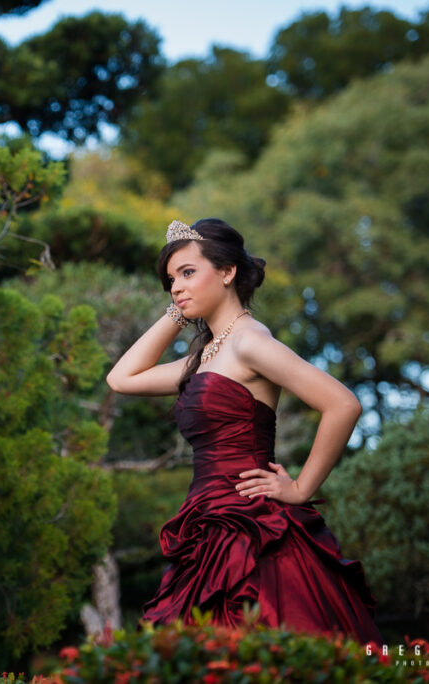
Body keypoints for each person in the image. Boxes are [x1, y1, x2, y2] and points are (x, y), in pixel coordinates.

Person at [105, 217, 383, 645]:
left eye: (188, 272)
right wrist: (175, 314)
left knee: (258, 648)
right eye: (170, 279)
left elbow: (342, 404)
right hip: (205, 526)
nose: (176, 287)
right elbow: (121, 379)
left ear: (228, 272)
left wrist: (301, 488)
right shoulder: (203, 358)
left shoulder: (250, 342)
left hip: (253, 527)